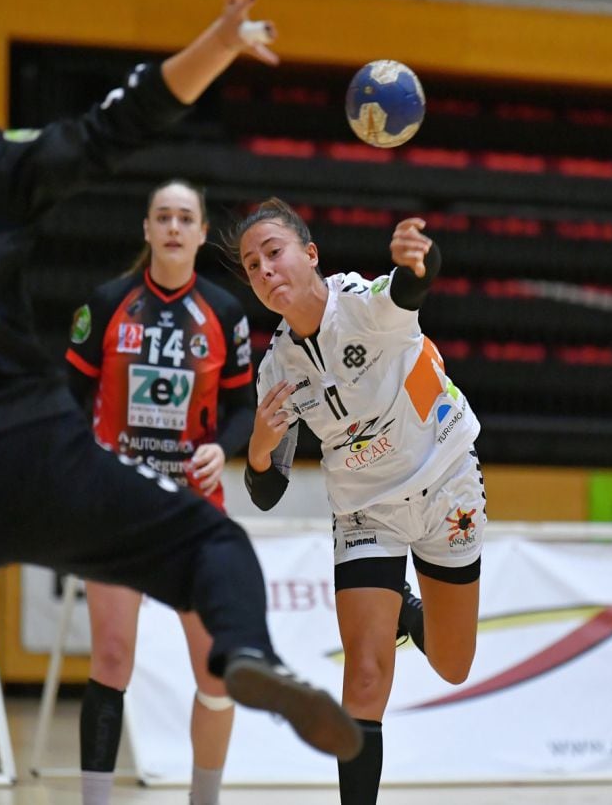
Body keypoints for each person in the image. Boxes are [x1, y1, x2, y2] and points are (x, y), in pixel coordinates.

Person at [0, 0, 361, 767]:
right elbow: (117, 122)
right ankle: (244, 654)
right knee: (212, 546)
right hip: (25, 451)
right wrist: (220, 42)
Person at [231, 199, 483, 804]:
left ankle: (404, 608)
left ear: (310, 254)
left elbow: (412, 286)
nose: (265, 270)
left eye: (274, 252)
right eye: (251, 265)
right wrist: (262, 447)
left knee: (453, 665)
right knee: (367, 674)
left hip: (446, 477)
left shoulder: (363, 305)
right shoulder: (276, 371)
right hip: (366, 509)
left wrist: (418, 258)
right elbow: (265, 492)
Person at [65, 180, 254, 805]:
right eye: (163, 217)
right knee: (112, 658)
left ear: (202, 233)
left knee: (215, 671)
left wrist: (220, 448)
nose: (174, 227)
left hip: (191, 512)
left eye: (186, 218)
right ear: (146, 230)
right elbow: (68, 402)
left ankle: (205, 799)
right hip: (117, 507)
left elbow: (242, 408)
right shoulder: (107, 303)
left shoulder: (225, 312)